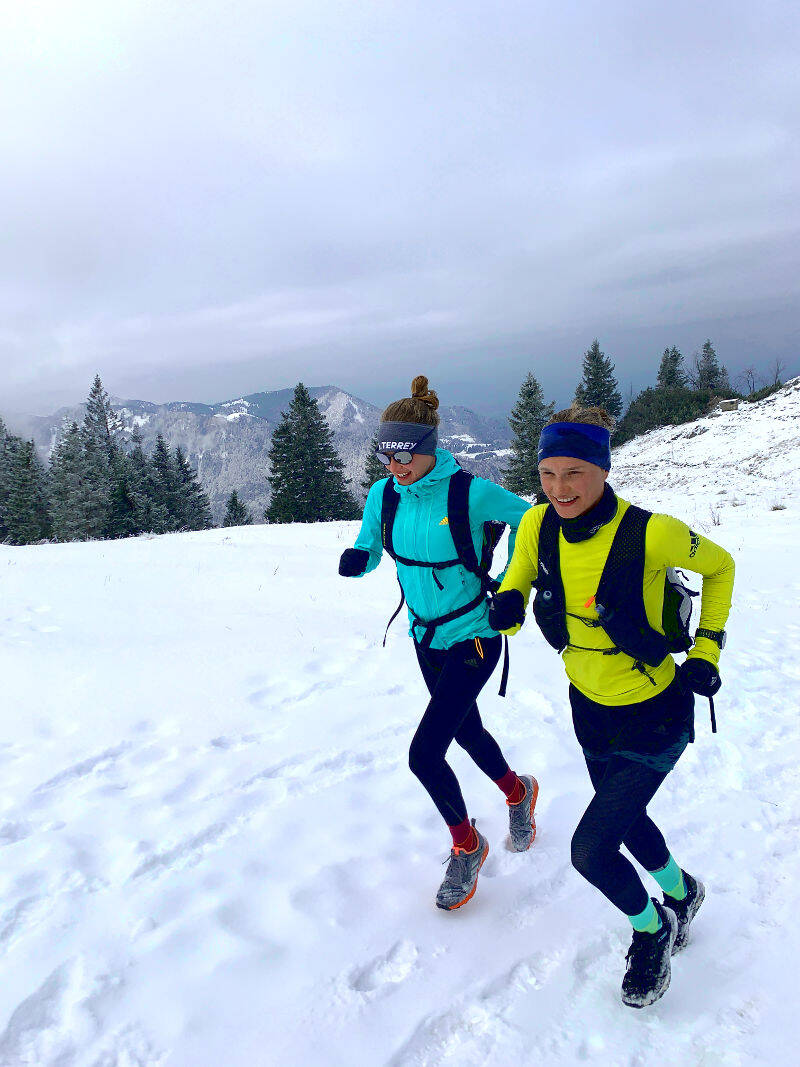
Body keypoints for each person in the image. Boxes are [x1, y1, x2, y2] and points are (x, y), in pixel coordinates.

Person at [488, 405, 735, 1008]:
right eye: (547, 474)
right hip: (588, 705)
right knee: (623, 822)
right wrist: (509, 599)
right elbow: (519, 569)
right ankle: (683, 891)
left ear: (602, 468)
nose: (559, 488)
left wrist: (707, 650)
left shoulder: (654, 532)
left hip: (655, 714)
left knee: (592, 848)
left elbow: (722, 567)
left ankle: (653, 928)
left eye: (573, 472)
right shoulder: (537, 524)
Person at [339, 376, 536, 911]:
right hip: (424, 636)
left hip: (475, 632)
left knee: (425, 753)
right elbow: (372, 541)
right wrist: (360, 558)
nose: (395, 467)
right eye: (387, 457)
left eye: (404, 456)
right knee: (466, 730)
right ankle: (519, 793)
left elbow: (531, 522)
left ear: (428, 449)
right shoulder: (384, 495)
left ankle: (467, 845)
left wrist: (515, 589)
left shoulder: (469, 493)